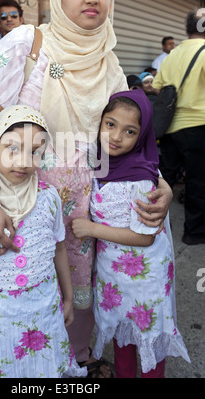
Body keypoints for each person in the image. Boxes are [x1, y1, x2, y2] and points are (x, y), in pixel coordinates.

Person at [0, 0, 172, 377]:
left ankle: (73, 361)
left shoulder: (108, 58)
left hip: (86, 217)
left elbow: (126, 136)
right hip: (20, 209)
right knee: (18, 306)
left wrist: (160, 183)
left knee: (77, 300)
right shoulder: (27, 44)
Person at [0, 104, 86, 378]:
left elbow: (59, 248)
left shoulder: (48, 198)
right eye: (13, 148)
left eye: (35, 151)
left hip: (46, 313)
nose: (24, 161)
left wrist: (69, 297)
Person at [71, 89, 190, 378]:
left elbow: (145, 236)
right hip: (113, 274)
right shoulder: (101, 162)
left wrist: (91, 229)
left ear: (143, 136)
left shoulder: (140, 176)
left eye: (130, 131)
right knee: (121, 333)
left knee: (147, 334)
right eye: (110, 124)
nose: (116, 136)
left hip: (144, 277)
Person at [153, 9, 205, 245]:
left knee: (165, 178)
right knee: (197, 182)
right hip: (199, 126)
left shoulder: (171, 55)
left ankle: (153, 224)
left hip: (171, 128)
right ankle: (193, 233)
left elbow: (157, 87)